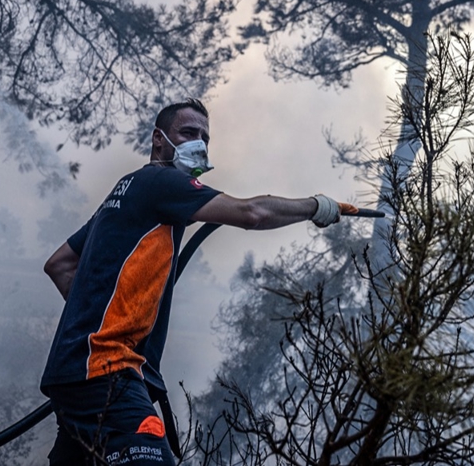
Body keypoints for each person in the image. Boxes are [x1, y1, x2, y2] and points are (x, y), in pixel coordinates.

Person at [40, 98, 345, 465]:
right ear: (158, 139)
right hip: (106, 370)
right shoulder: (161, 181)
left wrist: (100, 315)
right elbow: (252, 212)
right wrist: (316, 207)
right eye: (187, 133)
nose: (198, 143)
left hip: (74, 376)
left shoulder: (128, 190)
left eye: (204, 137)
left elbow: (59, 264)